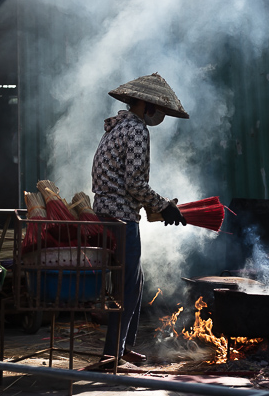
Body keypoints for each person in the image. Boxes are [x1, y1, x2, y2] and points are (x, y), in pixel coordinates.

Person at [91, 73, 189, 368]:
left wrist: (156, 205)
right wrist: (164, 206)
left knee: (135, 281)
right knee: (128, 287)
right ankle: (113, 354)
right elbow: (134, 183)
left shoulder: (118, 126)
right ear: (146, 106)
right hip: (120, 216)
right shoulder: (136, 130)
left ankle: (123, 347)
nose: (160, 115)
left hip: (110, 212)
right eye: (158, 109)